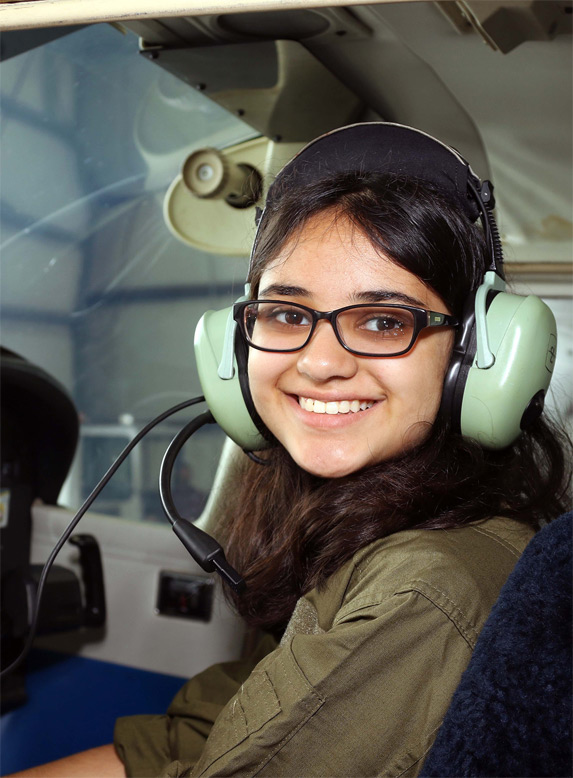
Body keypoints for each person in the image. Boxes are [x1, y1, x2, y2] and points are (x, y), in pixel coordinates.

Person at [10, 123, 570, 778]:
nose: (321, 362)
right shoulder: (375, 530)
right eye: (286, 313)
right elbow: (204, 733)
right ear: (237, 345)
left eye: (384, 321)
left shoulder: (419, 589)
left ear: (476, 357)